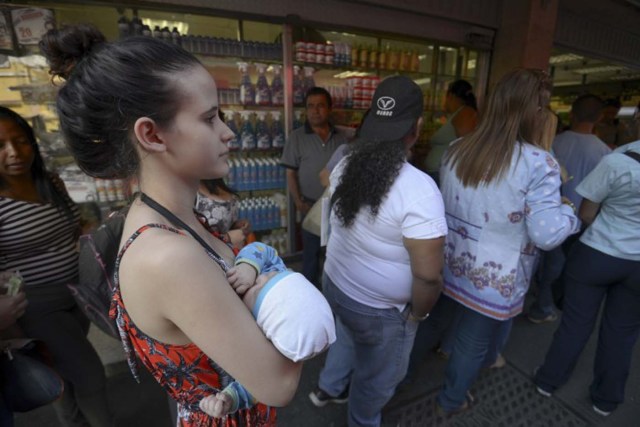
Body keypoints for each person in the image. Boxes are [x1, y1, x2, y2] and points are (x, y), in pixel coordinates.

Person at [40, 24, 302, 426]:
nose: (228, 132)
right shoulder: (167, 255)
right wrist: (296, 301)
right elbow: (280, 384)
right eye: (211, 118)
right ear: (151, 134)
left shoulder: (168, 216)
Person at [423, 69, 580, 415]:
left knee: (433, 321)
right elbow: (547, 234)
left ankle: (395, 380)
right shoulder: (539, 164)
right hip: (497, 273)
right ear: (534, 113)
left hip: (449, 260)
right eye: (544, 108)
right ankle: (450, 400)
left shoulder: (456, 149)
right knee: (472, 341)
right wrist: (570, 215)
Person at [309, 76, 447, 427]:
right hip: (381, 312)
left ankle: (328, 387)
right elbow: (429, 275)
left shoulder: (345, 165)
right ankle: (362, 420)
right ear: (416, 128)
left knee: (347, 338)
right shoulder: (419, 189)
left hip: (337, 286)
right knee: (375, 382)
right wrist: (417, 315)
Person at [0, 106, 113, 426]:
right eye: (1, 145)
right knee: (89, 373)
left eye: (20, 141)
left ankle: (72, 423)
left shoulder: (50, 181)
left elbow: (74, 227)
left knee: (62, 370)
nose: (13, 152)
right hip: (36, 303)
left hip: (78, 294)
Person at [534, 140, 640, 417]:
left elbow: (587, 213)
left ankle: (548, 380)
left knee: (576, 323)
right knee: (622, 334)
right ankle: (605, 399)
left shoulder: (617, 161)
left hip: (598, 254)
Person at [199, 242, 335, 418]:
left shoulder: (254, 340)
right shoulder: (274, 274)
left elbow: (256, 385)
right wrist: (249, 266)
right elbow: (264, 251)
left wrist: (229, 398)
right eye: (272, 276)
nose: (262, 278)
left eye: (257, 290)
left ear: (261, 326)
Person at [529, 95, 611, 323]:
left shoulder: (554, 141)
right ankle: (545, 306)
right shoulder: (605, 153)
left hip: (543, 211)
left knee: (542, 259)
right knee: (561, 265)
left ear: (572, 114)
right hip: (577, 217)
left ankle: (537, 297)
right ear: (600, 117)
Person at [280, 87, 346, 285]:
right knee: (310, 257)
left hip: (337, 207)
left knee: (336, 256)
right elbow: (290, 172)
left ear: (329, 109)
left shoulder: (341, 137)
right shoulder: (297, 137)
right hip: (310, 206)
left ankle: (332, 294)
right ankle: (310, 294)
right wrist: (298, 202)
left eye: (320, 106)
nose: (315, 111)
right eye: (310, 106)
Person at [424, 79, 478, 184]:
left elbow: (466, 146)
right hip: (439, 173)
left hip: (443, 175)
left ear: (451, 96)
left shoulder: (465, 114)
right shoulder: (459, 114)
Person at [196, 178, 250, 249]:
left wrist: (235, 226)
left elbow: (220, 226)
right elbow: (191, 237)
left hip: (229, 253)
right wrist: (226, 238)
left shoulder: (219, 185)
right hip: (207, 255)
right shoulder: (192, 192)